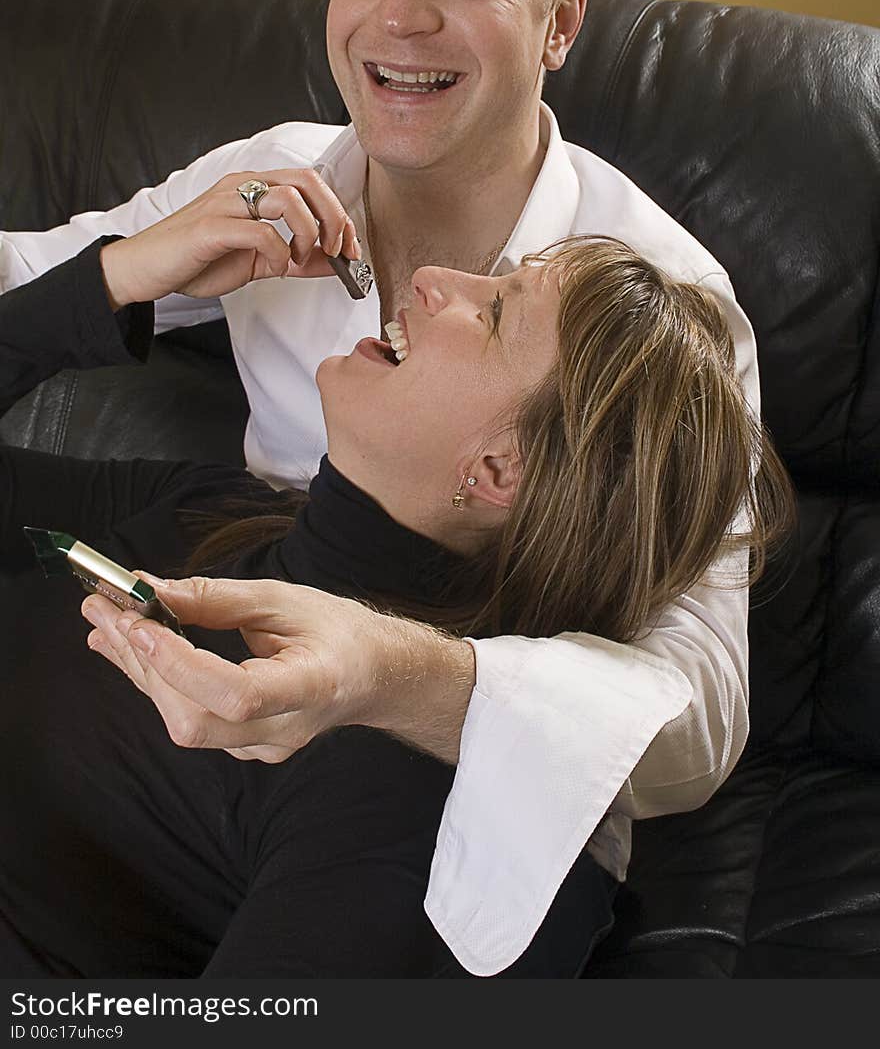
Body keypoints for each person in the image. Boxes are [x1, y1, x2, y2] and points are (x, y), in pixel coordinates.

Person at [0, 0, 766, 975]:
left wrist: (388, 672)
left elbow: (697, 710)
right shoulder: (274, 177)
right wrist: (126, 272)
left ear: (561, 18)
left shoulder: (660, 306)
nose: (399, 18)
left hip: (403, 747)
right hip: (217, 600)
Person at [0, 226, 788, 977]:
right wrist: (113, 280)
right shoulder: (214, 509)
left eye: (496, 311)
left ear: (499, 472)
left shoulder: (420, 812)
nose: (431, 278)